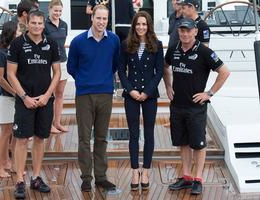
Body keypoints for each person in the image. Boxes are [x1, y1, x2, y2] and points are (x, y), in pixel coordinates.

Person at [163, 18, 230, 195]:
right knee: (183, 142)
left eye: (188, 30)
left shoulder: (204, 51)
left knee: (198, 144)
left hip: (195, 107)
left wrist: (209, 93)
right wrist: (168, 86)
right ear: (178, 32)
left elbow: (224, 72)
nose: (184, 34)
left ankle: (198, 179)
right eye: (181, 31)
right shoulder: (173, 50)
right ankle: (186, 177)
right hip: (177, 105)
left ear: (195, 32)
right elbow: (165, 66)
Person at [7, 10, 60, 199]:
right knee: (21, 140)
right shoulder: (17, 44)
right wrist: (24, 97)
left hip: (45, 100)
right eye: (34, 23)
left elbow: (57, 73)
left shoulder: (51, 44)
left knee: (40, 138)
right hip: (25, 100)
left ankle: (36, 177)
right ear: (27, 23)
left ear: (43, 24)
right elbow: (10, 73)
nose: (37, 26)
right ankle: (20, 180)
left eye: (40, 23)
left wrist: (47, 96)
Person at [67, 4, 120, 192]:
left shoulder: (114, 40)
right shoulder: (78, 41)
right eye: (98, 18)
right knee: (83, 138)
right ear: (92, 18)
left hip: (105, 93)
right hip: (84, 95)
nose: (101, 22)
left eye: (105, 19)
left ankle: (101, 177)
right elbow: (71, 67)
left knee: (101, 137)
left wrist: (103, 80)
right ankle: (86, 178)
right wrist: (85, 80)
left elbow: (115, 65)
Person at [118, 11, 163, 191]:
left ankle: (146, 171)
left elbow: (159, 71)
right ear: (134, 26)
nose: (141, 27)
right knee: (134, 134)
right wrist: (131, 90)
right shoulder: (125, 44)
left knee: (149, 133)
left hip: (149, 95)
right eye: (138, 24)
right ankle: (135, 170)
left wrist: (147, 92)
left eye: (144, 24)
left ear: (148, 26)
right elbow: (121, 71)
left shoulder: (157, 45)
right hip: (131, 95)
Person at [0, 21, 21, 178]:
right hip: (6, 98)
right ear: (11, 33)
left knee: (16, 133)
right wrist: (16, 93)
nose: (19, 34)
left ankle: (13, 163)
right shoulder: (0, 53)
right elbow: (0, 78)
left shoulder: (14, 50)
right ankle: (0, 166)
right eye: (17, 31)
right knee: (5, 133)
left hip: (16, 98)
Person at [44, 0, 69, 133]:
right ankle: (48, 124)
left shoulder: (64, 24)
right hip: (49, 63)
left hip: (62, 61)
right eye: (55, 10)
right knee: (50, 94)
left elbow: (63, 41)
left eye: (60, 11)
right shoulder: (45, 24)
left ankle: (57, 123)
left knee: (59, 94)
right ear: (50, 9)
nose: (57, 13)